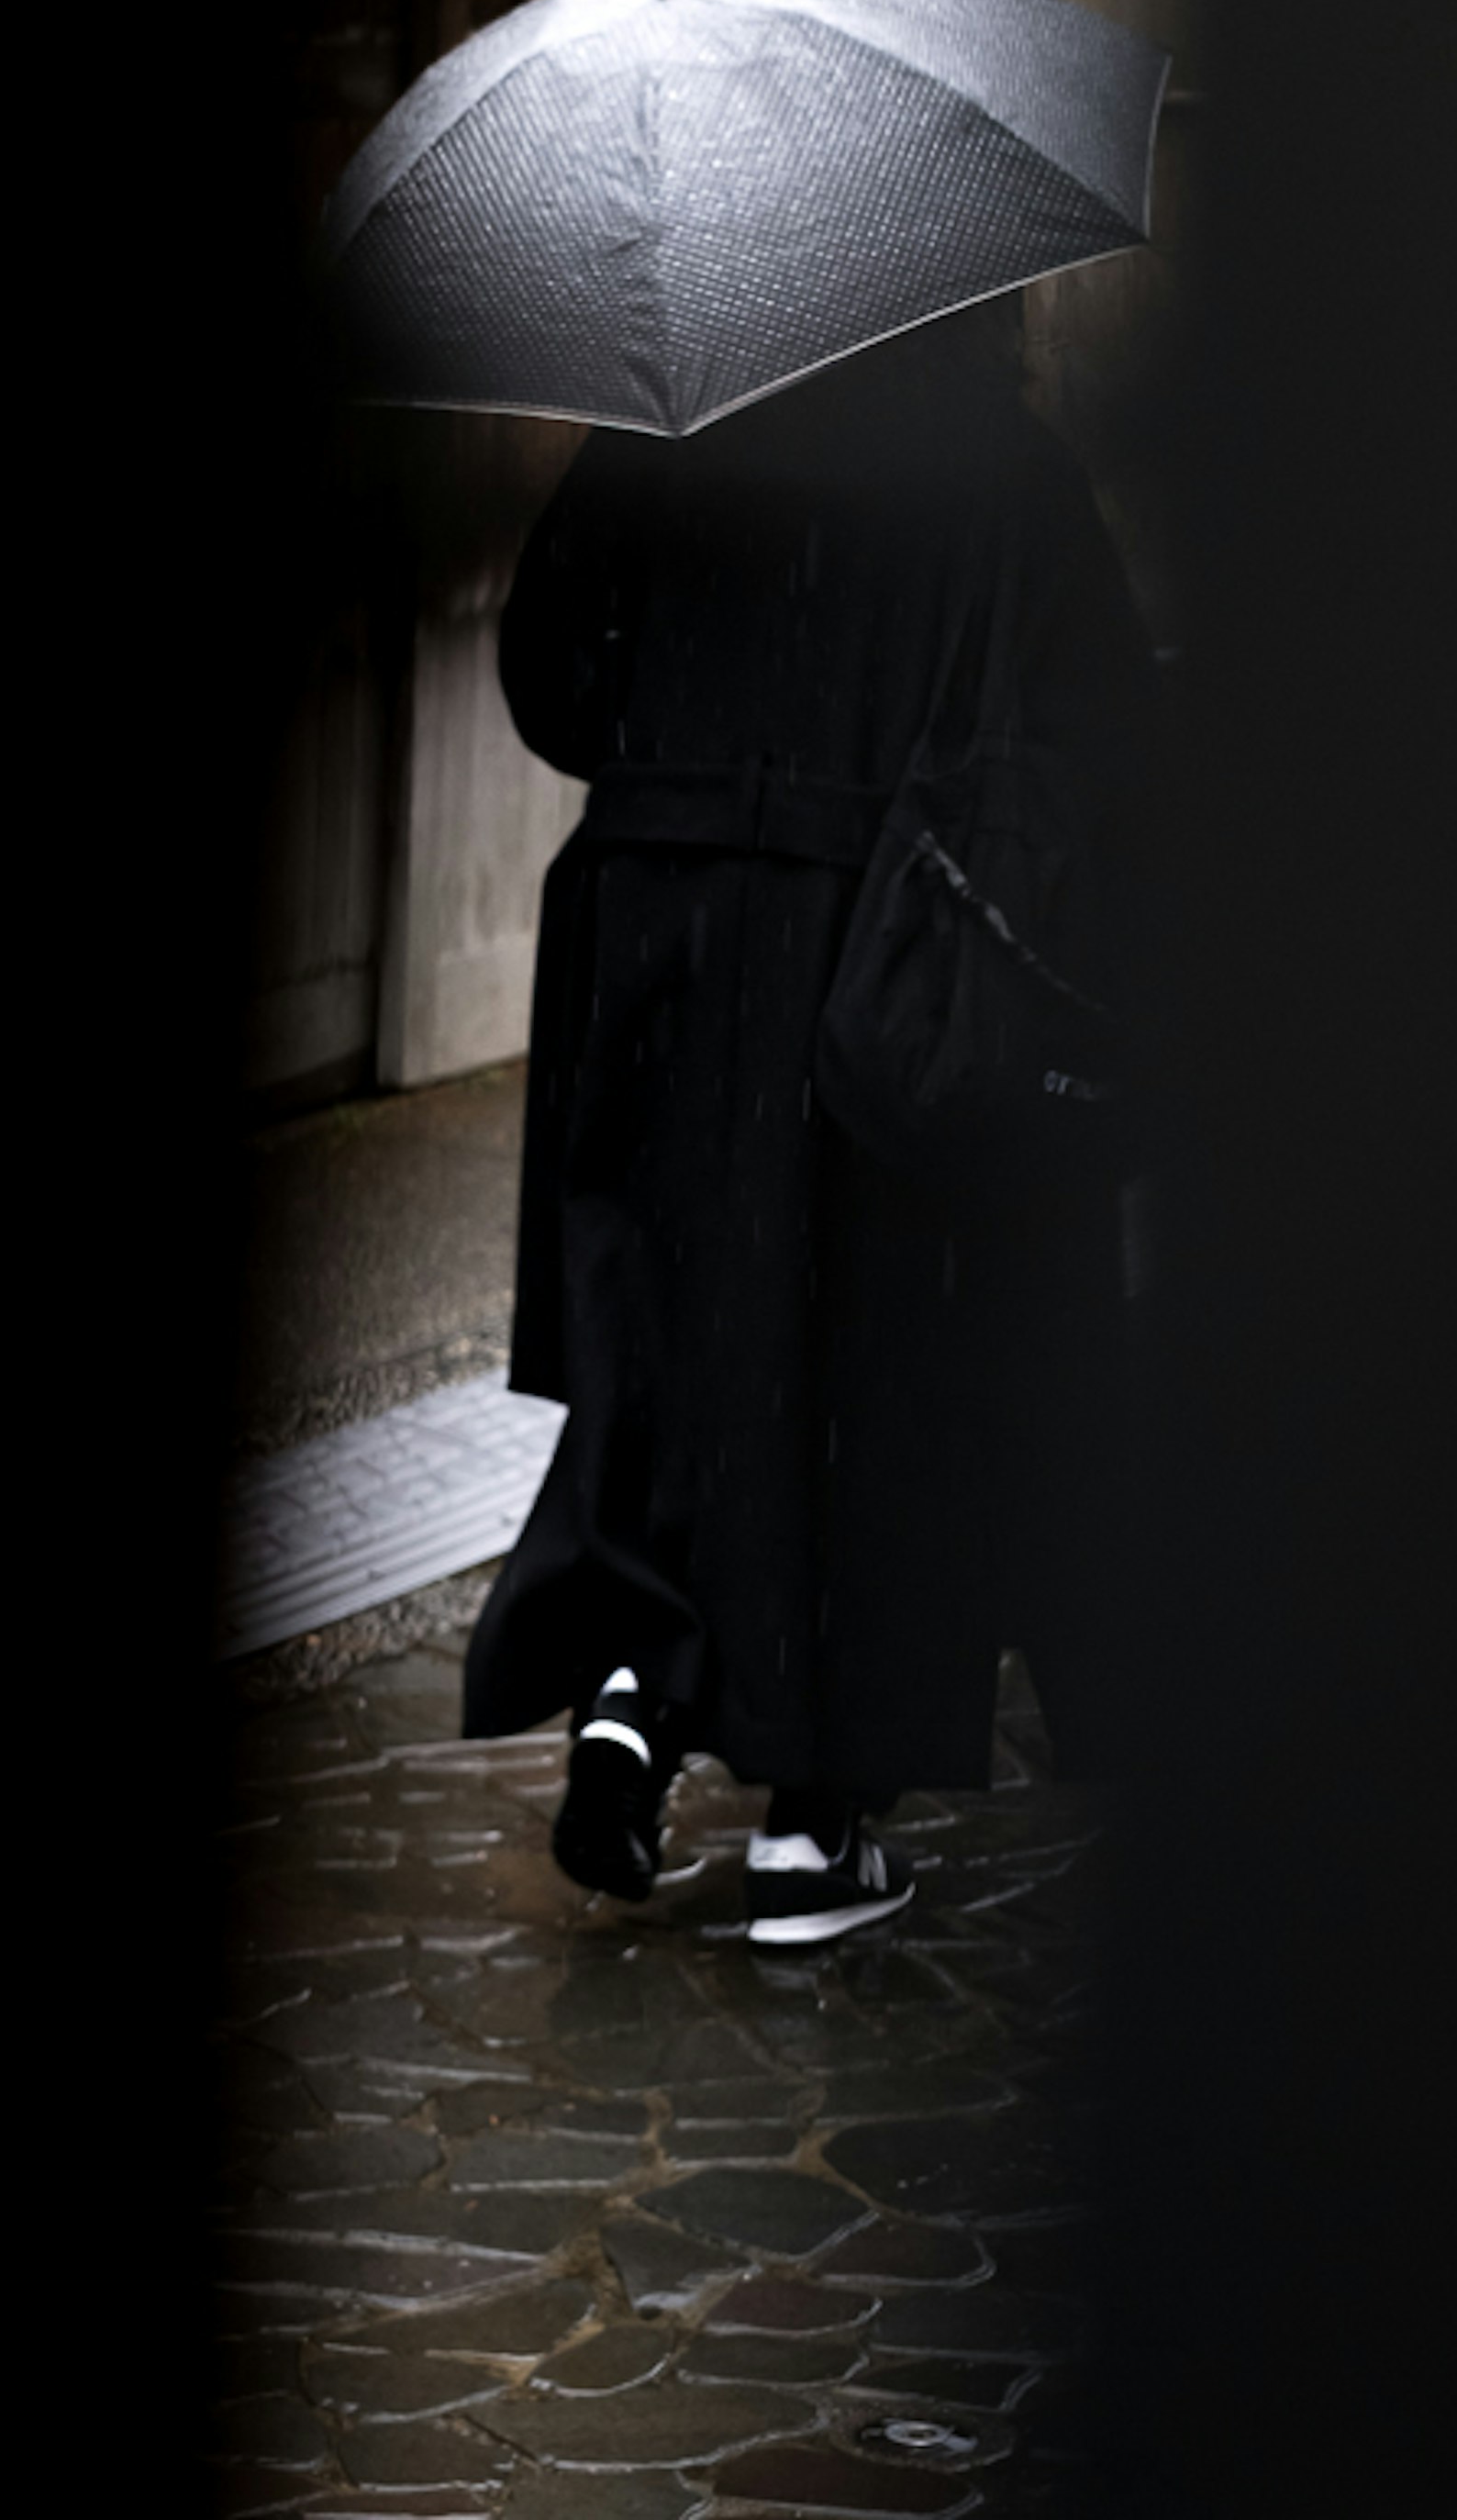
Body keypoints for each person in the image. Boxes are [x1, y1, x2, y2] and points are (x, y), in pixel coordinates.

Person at [459, 298, 1157, 1945]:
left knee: (663, 1327)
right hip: (874, 961)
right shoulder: (999, 466)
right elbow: (1102, 740)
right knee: (859, 1362)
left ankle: (632, 1682)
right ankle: (815, 1817)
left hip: (655, 941)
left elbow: (551, 677)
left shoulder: (672, 431)